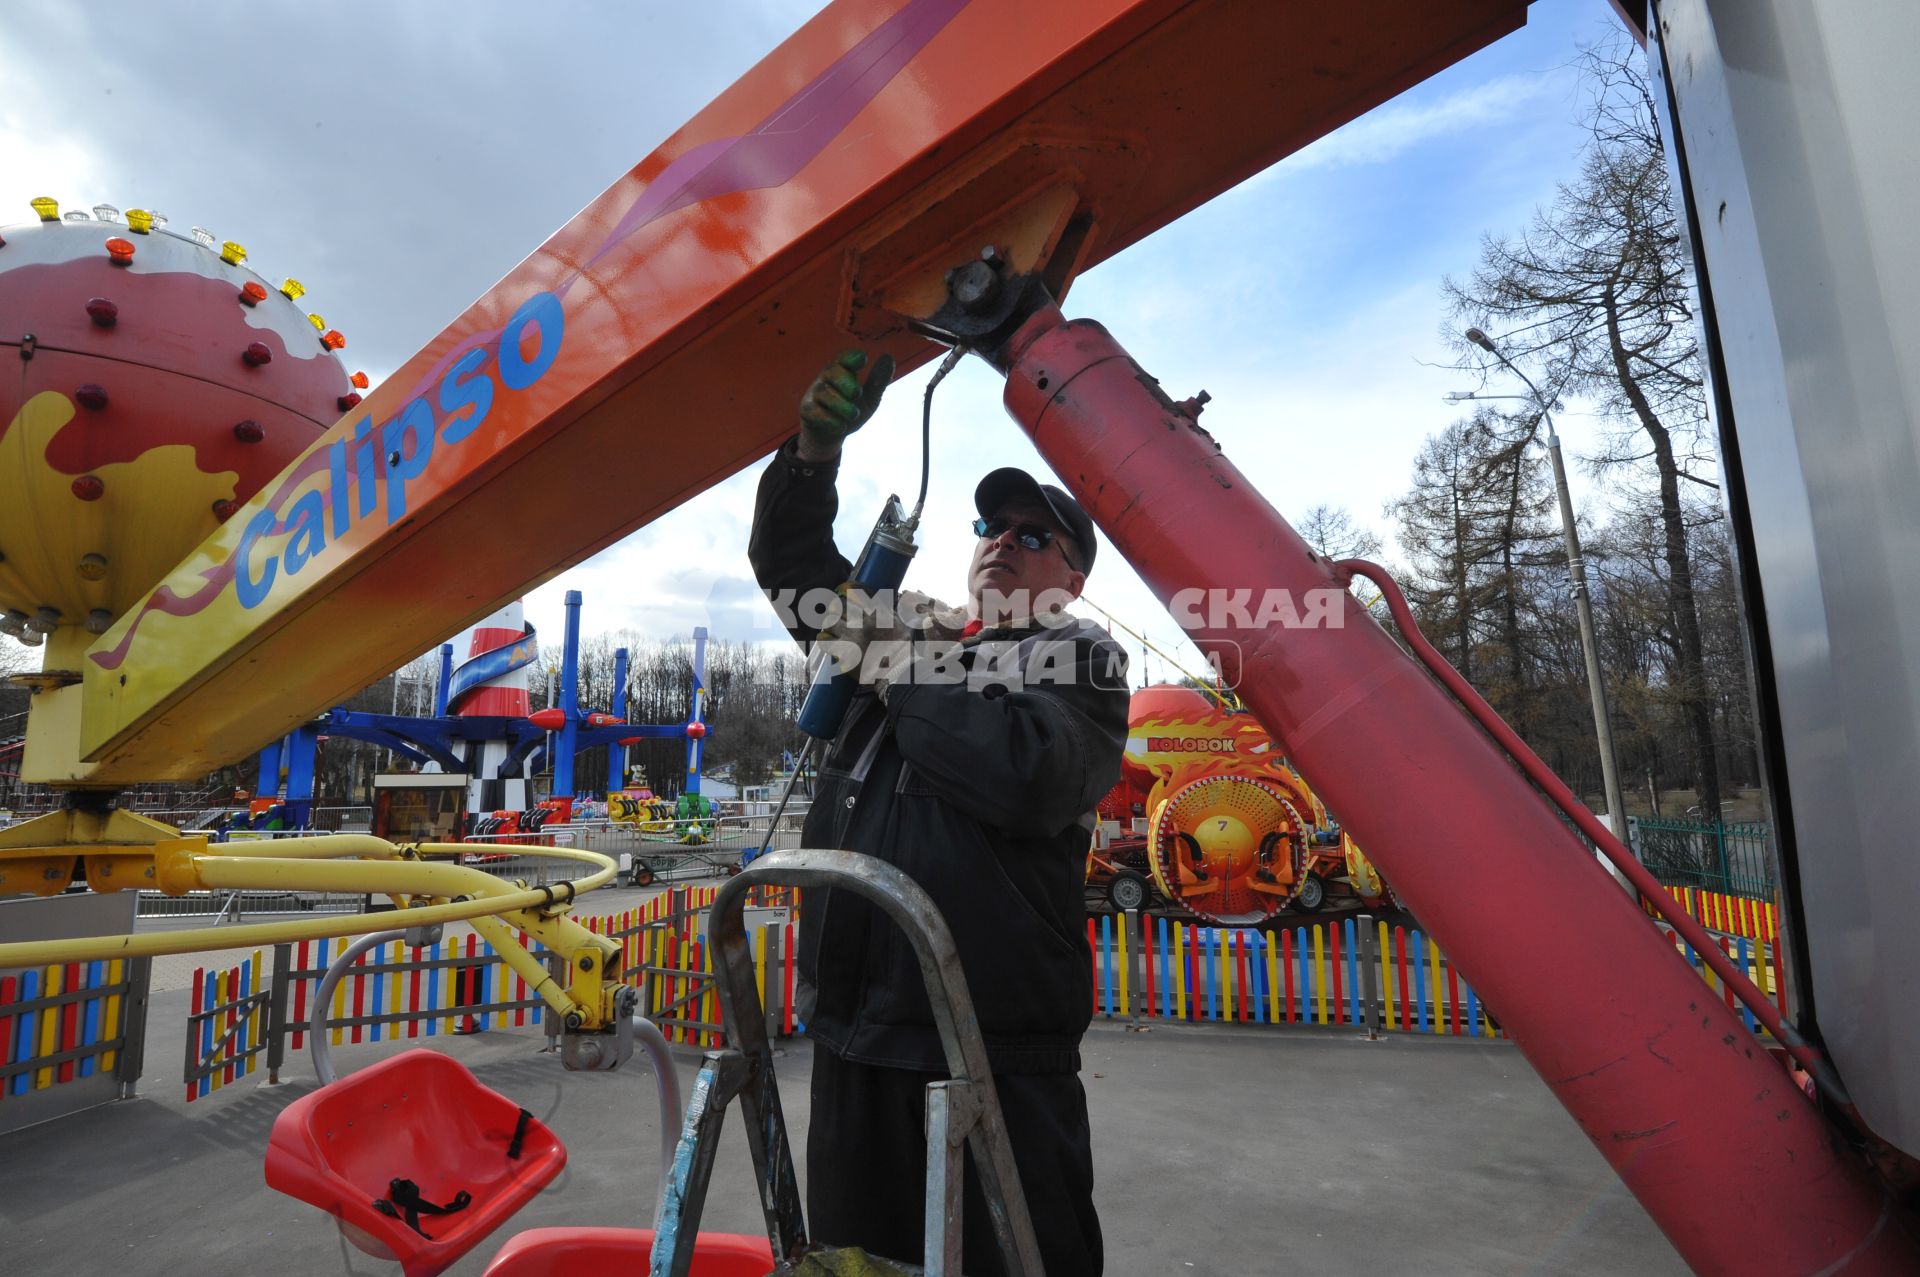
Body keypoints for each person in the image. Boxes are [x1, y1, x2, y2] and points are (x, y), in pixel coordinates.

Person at [749, 349, 1129, 1276]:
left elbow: (1022, 772)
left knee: (1016, 1256)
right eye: (992, 526)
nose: (1004, 540)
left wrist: (898, 665)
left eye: (1034, 535)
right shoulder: (910, 629)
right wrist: (812, 452)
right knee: (857, 1261)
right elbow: (795, 566)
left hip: (990, 1052)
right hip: (853, 1033)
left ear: (1071, 579)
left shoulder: (1082, 664)